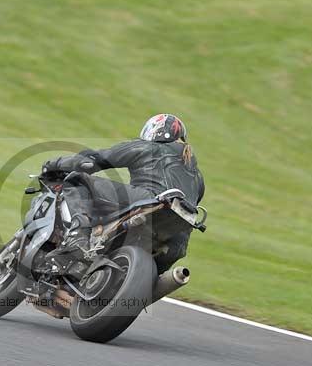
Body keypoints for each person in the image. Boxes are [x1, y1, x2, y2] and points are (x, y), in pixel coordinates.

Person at [42, 114, 205, 272]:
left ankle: (77, 238)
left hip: (150, 201)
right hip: (179, 232)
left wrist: (54, 165)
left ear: (153, 131)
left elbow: (94, 160)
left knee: (76, 180)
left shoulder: (149, 147)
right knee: (157, 270)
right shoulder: (198, 176)